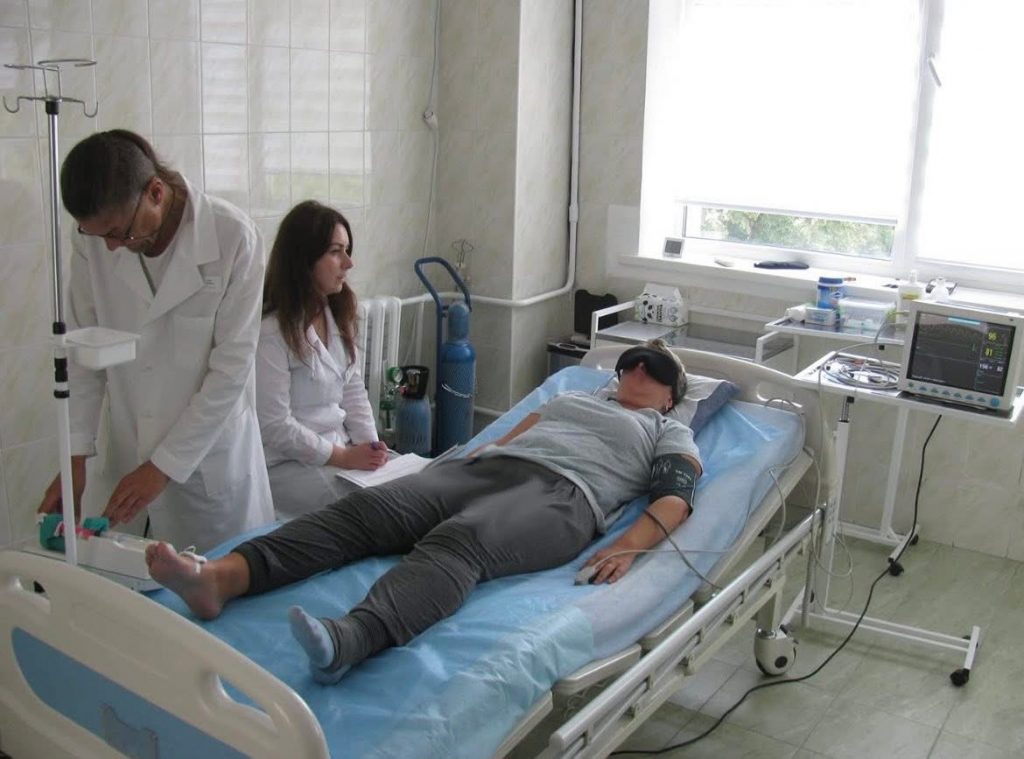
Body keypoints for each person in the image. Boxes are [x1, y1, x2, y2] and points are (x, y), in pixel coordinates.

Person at [146, 340, 703, 684]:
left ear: (671, 396)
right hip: (487, 470)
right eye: (631, 366)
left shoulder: (667, 429)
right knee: (367, 514)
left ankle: (351, 640)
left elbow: (674, 497)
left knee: (462, 541)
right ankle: (220, 577)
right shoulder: (570, 400)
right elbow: (503, 440)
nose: (636, 375)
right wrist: (450, 472)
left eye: (652, 372)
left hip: (562, 497)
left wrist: (628, 547)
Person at [37, 129, 274, 553]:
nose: (109, 248)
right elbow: (84, 353)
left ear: (156, 193)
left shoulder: (233, 238)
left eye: (119, 232)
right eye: (97, 236)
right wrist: (74, 456)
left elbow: (230, 372)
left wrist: (162, 467)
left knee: (213, 597)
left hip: (207, 470)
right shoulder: (92, 242)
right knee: (133, 602)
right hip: (128, 455)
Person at [256, 201, 387, 520]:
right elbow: (274, 426)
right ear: (304, 259)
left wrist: (371, 448)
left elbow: (354, 393)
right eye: (335, 251)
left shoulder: (337, 315)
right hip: (290, 467)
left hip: (341, 455)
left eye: (347, 250)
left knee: (412, 490)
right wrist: (342, 457)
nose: (349, 262)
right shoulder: (270, 332)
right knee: (376, 512)